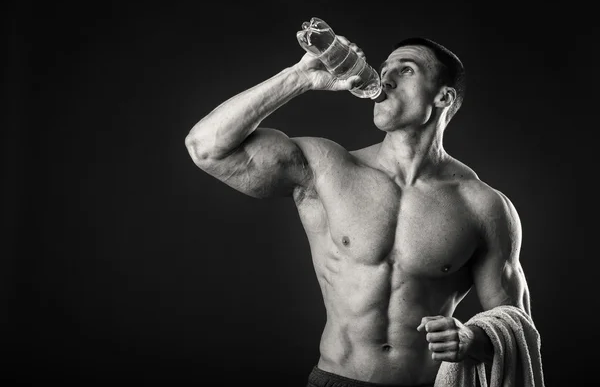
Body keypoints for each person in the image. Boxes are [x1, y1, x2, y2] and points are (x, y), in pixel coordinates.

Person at [184, 34, 533, 387]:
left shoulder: (483, 205)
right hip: (337, 378)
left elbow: (515, 324)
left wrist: (472, 340)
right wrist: (301, 77)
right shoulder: (327, 168)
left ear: (443, 96)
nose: (386, 78)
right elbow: (206, 147)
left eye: (406, 70)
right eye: (384, 69)